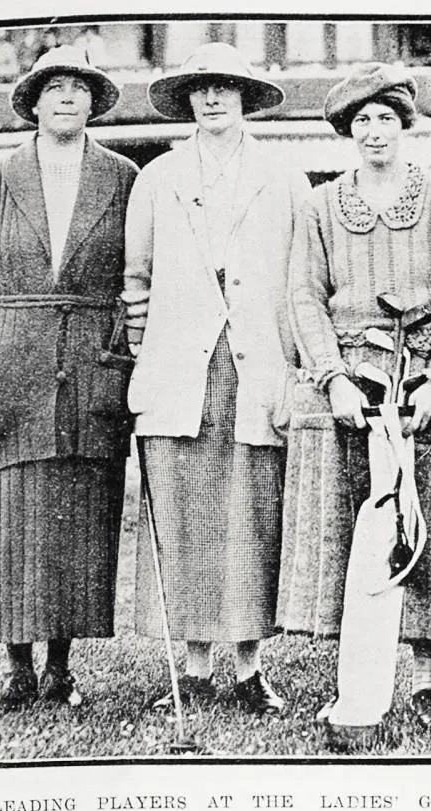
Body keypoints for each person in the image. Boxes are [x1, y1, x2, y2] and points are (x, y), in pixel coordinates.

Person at [280, 63, 431, 746]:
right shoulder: (321, 203)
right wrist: (329, 376)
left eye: (384, 117)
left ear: (404, 124)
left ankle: (425, 676)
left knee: (424, 527)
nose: (373, 131)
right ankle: (354, 678)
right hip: (349, 384)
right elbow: (304, 294)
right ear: (345, 132)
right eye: (360, 121)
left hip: (420, 382)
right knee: (352, 531)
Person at [123, 42, 310, 715]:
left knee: (253, 519)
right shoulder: (159, 178)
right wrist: (146, 358)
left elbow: (299, 282)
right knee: (188, 517)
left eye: (225, 87)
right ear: (187, 100)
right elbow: (135, 281)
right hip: (180, 371)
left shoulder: (285, 179)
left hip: (257, 368)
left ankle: (251, 666)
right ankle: (197, 668)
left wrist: (293, 369)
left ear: (245, 97)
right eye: (200, 89)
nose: (212, 99)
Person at [0, 45, 138, 712]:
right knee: (10, 517)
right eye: (53, 87)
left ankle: (62, 666)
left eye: (78, 88)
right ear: (33, 101)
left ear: (94, 102)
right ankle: (16, 667)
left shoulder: (120, 177)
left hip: (90, 369)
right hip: (12, 365)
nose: (66, 98)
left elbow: (138, 276)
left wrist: (125, 354)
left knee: (76, 519)